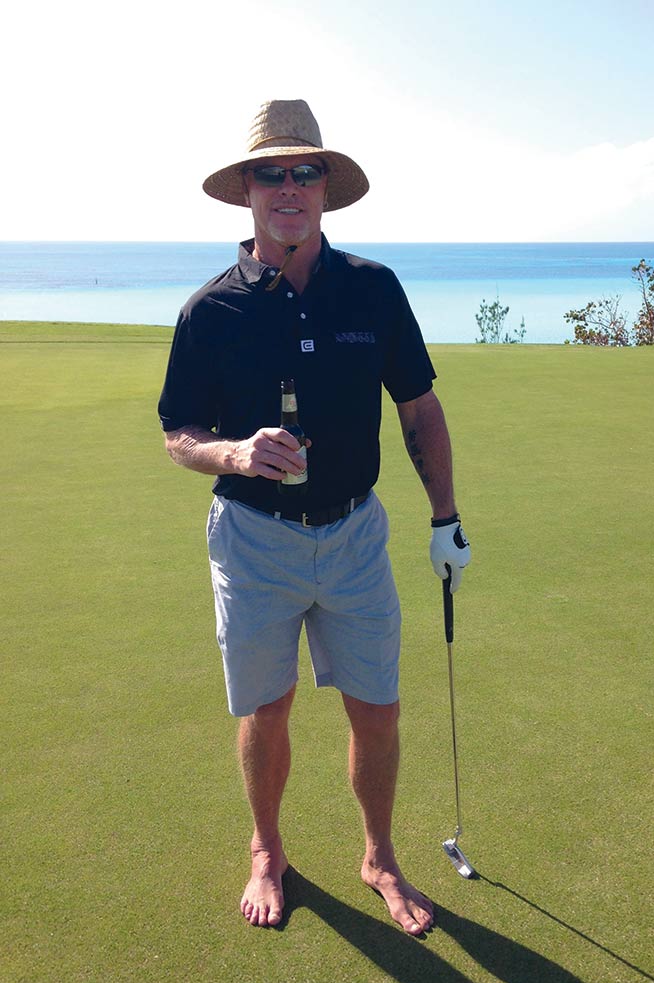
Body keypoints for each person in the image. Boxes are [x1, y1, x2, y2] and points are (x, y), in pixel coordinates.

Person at [158, 99, 471, 936]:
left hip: (355, 533)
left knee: (376, 706)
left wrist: (445, 519)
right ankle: (268, 849)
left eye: (305, 171)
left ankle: (378, 856)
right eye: (272, 172)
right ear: (247, 191)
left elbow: (418, 409)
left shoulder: (372, 289)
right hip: (253, 537)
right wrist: (231, 453)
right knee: (267, 705)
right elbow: (177, 435)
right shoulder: (210, 310)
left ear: (325, 188)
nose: (289, 186)